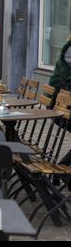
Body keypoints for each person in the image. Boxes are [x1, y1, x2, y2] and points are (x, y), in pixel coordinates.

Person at [49, 33, 71, 167]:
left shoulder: (67, 48)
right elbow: (68, 82)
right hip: (61, 110)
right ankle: (61, 170)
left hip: (61, 108)